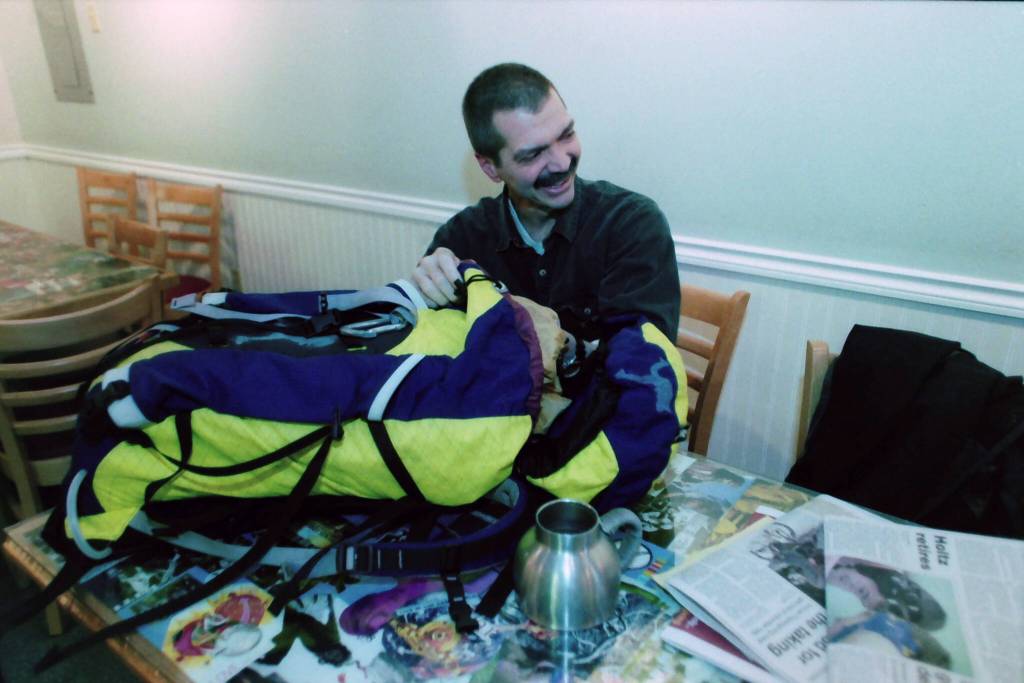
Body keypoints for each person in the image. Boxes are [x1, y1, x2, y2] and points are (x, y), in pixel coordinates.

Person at [411, 63, 680, 343]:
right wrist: (427, 291)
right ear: (491, 168)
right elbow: (435, 358)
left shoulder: (632, 225)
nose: (563, 162)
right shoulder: (461, 239)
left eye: (566, 135)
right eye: (533, 154)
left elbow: (647, 370)